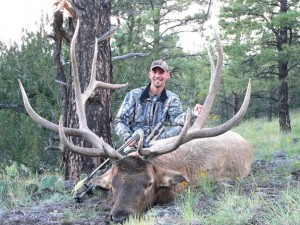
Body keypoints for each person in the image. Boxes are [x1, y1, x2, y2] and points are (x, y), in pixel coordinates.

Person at [114, 59, 202, 149]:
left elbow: (177, 120)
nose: (157, 75)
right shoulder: (134, 95)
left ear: (167, 75)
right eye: (154, 72)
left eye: (161, 72)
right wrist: (128, 138)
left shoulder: (172, 98)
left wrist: (192, 114)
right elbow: (120, 121)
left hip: (158, 144)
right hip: (134, 144)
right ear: (149, 74)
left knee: (180, 129)